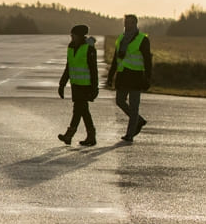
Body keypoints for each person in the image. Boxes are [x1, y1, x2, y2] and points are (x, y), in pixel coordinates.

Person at [106, 14, 153, 142]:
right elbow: (115, 59)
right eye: (126, 22)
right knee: (119, 101)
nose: (128, 25)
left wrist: (148, 77)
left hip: (136, 76)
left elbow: (147, 60)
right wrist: (110, 76)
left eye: (131, 23)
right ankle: (139, 120)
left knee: (134, 106)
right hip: (122, 76)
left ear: (136, 24)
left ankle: (130, 134)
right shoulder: (121, 38)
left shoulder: (142, 39)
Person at [57, 24, 98, 146]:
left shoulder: (89, 48)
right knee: (83, 111)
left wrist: (95, 88)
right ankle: (91, 136)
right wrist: (62, 84)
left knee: (78, 109)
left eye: (73, 35)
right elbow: (68, 66)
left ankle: (69, 134)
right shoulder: (71, 47)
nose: (71, 37)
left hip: (86, 85)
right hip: (75, 85)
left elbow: (94, 70)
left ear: (80, 36)